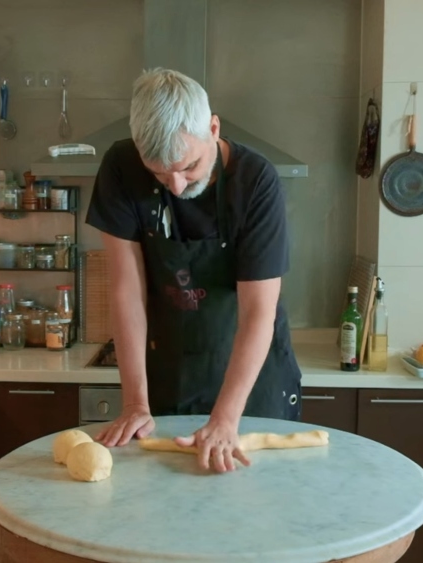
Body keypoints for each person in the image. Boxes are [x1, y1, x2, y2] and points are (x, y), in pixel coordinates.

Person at [85, 68, 302, 474]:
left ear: (213, 127)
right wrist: (135, 402)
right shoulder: (120, 167)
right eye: (158, 174)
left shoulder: (256, 183)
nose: (177, 187)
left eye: (190, 166)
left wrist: (225, 419)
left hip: (251, 388)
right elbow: (126, 291)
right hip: (173, 371)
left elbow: (258, 312)